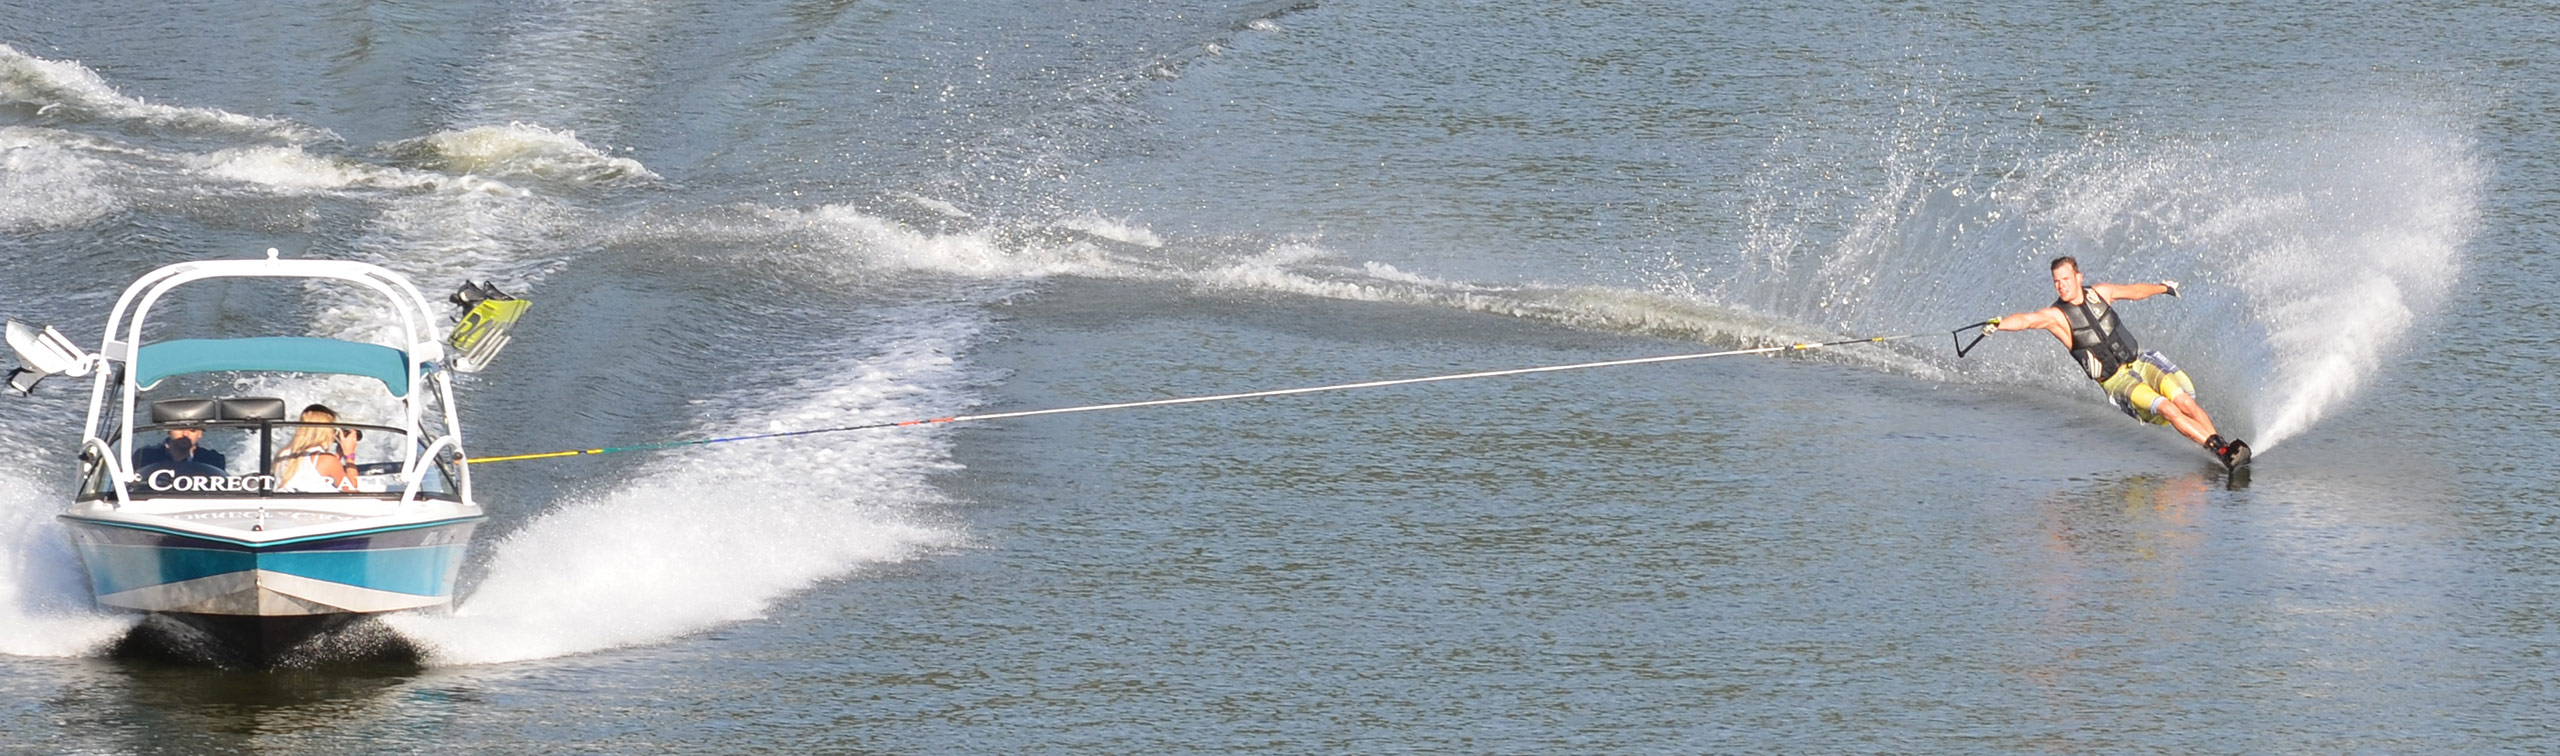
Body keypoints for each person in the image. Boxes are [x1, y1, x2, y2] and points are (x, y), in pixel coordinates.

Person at [1985, 256, 2250, 469]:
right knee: (2168, 409)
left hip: (2140, 362)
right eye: (2056, 282)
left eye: (2066, 279)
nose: (2061, 285)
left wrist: (2164, 288)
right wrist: (2000, 324)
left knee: (2185, 403)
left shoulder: (2101, 292)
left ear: (2079, 277)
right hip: (2117, 381)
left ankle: (2223, 449)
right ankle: (2219, 449)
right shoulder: (2056, 317)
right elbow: (2028, 320)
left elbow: (2134, 292)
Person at [274, 404, 362, 492]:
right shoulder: (327, 460)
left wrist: (338, 456)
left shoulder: (283, 454)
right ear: (327, 430)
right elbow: (352, 491)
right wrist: (349, 456)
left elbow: (314, 473)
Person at [132, 426, 228, 473]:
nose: (185, 434)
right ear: (168, 430)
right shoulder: (145, 456)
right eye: (179, 428)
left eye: (192, 430)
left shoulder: (213, 460)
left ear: (200, 433)